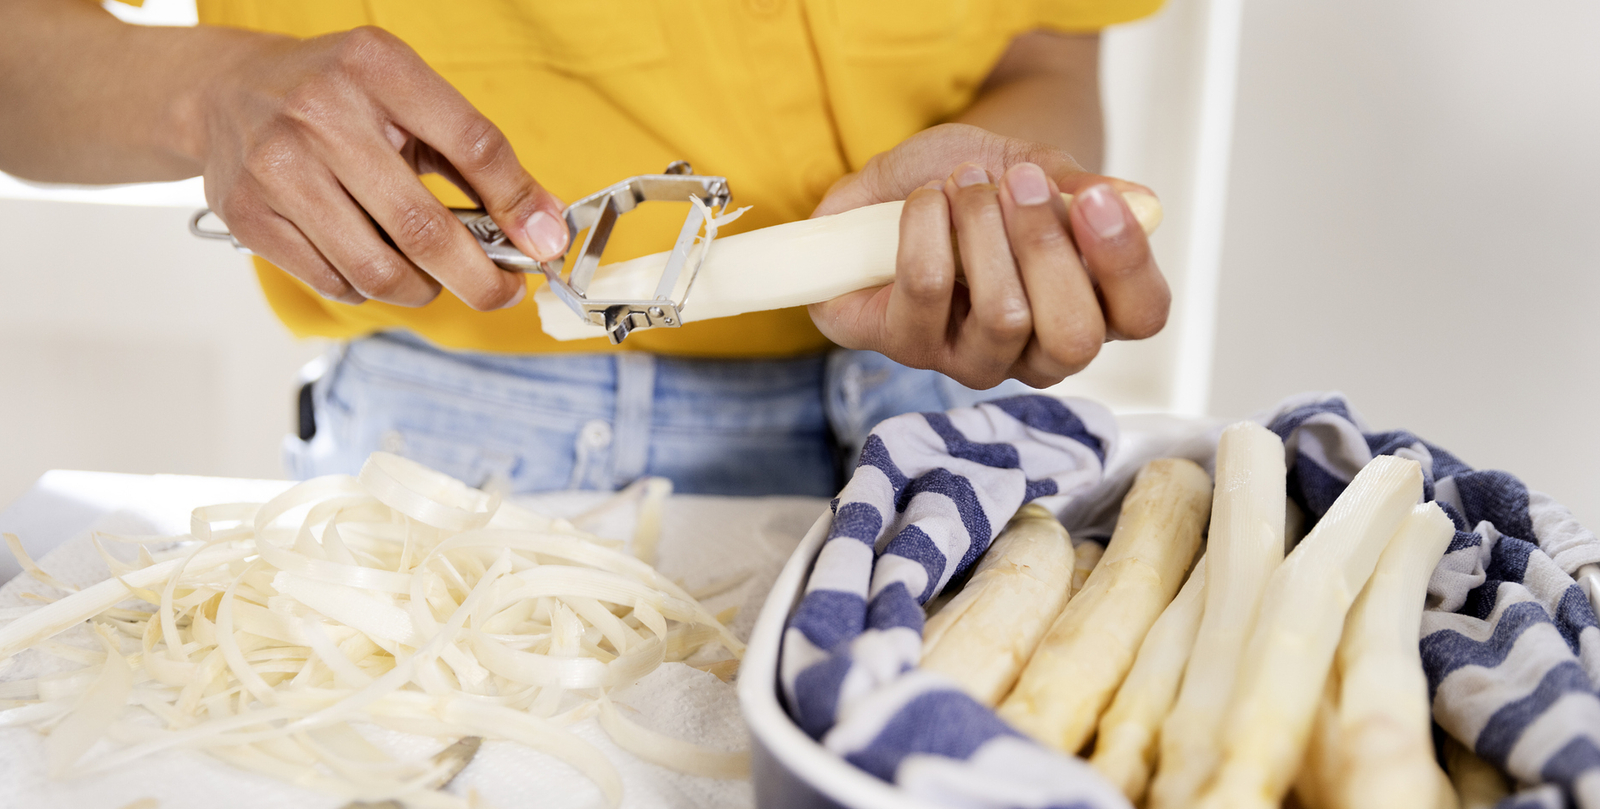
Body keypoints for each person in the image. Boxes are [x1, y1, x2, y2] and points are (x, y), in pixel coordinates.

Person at [0, 0, 1170, 496]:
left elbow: (1050, 56)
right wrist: (208, 97)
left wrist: (993, 204)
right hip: (466, 468)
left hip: (938, 433)